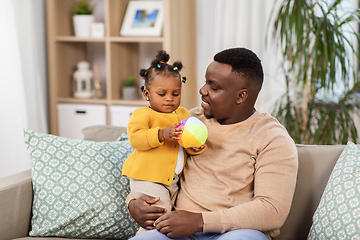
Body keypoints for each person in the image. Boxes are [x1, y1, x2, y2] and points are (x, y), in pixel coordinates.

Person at [127, 47, 298, 240]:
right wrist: (133, 204)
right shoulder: (188, 120)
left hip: (236, 232)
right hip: (176, 231)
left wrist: (200, 222)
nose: (202, 90)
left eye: (213, 87)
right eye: (205, 82)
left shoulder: (272, 138)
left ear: (241, 96)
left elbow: (272, 210)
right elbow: (149, 164)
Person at [122, 50, 205, 234]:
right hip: (148, 178)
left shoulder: (183, 114)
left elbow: (186, 143)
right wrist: (160, 134)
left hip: (172, 181)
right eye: (162, 94)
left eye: (176, 93)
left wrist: (195, 147)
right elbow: (136, 138)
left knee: (165, 217)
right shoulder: (142, 114)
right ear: (146, 93)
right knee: (159, 218)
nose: (169, 98)